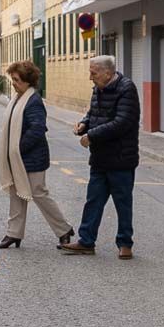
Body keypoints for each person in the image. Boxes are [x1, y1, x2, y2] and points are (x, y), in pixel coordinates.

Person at [61, 55, 141, 258]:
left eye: (93, 73)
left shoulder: (126, 89)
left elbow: (122, 122)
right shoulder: (98, 88)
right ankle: (86, 241)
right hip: (100, 158)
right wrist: (83, 125)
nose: (90, 77)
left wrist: (92, 135)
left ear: (108, 72)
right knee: (93, 201)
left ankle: (125, 243)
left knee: (123, 204)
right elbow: (93, 114)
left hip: (121, 158)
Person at [0, 61, 75, 249]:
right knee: (16, 195)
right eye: (12, 79)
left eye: (16, 80)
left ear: (26, 81)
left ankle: (64, 229)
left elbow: (37, 129)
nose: (13, 83)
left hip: (32, 158)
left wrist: (17, 148)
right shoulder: (17, 98)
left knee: (39, 194)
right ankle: (13, 234)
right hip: (17, 157)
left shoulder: (33, 101)